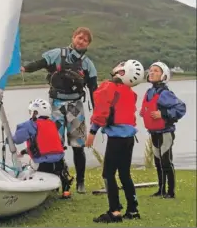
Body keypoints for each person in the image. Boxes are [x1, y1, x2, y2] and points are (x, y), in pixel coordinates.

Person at [20, 27, 97, 193]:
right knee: (55, 145)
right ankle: (56, 180)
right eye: (79, 37)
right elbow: (40, 64)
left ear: (88, 44)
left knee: (78, 145)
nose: (81, 40)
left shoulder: (87, 64)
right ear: (73, 37)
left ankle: (81, 182)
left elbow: (93, 90)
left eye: (85, 40)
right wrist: (25, 68)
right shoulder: (56, 54)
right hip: (55, 105)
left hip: (76, 107)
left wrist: (97, 113)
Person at [86, 59, 145, 223]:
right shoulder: (130, 93)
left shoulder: (109, 87)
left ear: (122, 72)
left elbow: (101, 111)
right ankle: (133, 210)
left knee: (108, 174)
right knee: (125, 174)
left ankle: (114, 212)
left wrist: (92, 132)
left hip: (117, 138)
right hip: (129, 138)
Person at [10, 98, 74, 199]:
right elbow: (43, 145)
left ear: (34, 112)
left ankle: (27, 185)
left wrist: (8, 139)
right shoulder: (52, 124)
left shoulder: (30, 124)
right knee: (61, 168)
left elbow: (17, 140)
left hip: (42, 165)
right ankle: (65, 190)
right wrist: (23, 152)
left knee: (28, 165)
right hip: (59, 164)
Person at [140, 61, 186, 199]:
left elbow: (181, 108)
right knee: (158, 162)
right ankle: (160, 190)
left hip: (165, 132)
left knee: (166, 162)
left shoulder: (165, 93)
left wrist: (163, 114)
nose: (152, 72)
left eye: (156, 71)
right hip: (154, 132)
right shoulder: (149, 92)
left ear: (164, 75)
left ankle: (170, 192)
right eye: (151, 70)